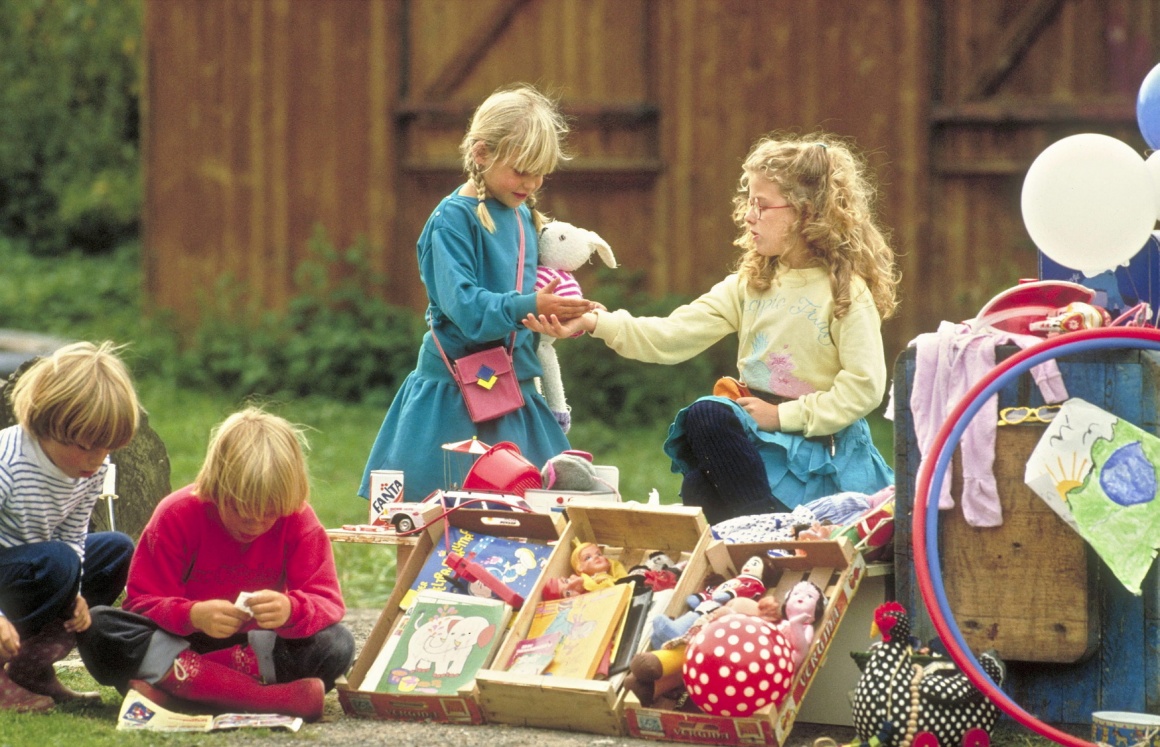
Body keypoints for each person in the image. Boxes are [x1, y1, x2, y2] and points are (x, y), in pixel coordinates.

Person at [526, 131, 898, 524]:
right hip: (759, 440)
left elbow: (864, 386)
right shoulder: (751, 283)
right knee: (700, 473)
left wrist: (781, 416)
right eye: (748, 203)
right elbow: (671, 335)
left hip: (818, 448)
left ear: (807, 213)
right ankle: (757, 538)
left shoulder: (845, 292)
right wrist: (594, 320)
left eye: (762, 205)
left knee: (707, 421)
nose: (748, 215)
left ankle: (768, 529)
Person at [358, 83, 593, 505]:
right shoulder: (451, 221)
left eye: (540, 172)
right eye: (521, 170)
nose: (532, 182)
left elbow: (523, 299)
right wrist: (527, 305)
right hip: (454, 401)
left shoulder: (521, 213)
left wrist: (548, 317)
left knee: (529, 522)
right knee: (429, 524)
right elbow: (466, 308)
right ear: (482, 154)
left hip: (513, 394)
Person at [77, 407, 354, 722]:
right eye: (240, 508)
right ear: (216, 486)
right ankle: (266, 698)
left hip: (255, 649)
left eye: (269, 512)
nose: (255, 523)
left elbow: (327, 600)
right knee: (98, 626)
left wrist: (290, 609)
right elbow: (140, 605)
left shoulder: (299, 519)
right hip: (180, 641)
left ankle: (180, 689)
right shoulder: (176, 514)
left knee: (336, 645)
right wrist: (192, 614)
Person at [0, 340, 139, 712]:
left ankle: (30, 665)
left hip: (39, 565)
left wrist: (75, 593)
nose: (97, 459)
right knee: (57, 561)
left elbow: (73, 531)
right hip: (12, 572)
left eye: (108, 447)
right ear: (47, 424)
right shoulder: (7, 463)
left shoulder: (91, 468)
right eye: (85, 445)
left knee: (116, 550)